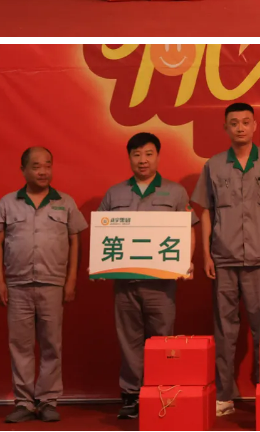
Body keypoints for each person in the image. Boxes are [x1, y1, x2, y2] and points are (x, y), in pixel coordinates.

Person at [191, 102, 260, 416]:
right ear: (226, 127)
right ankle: (224, 395)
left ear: (255, 126)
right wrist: (207, 254)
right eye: (234, 122)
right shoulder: (213, 165)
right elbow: (206, 211)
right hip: (224, 259)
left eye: (246, 122)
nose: (240, 127)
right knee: (224, 329)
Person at [98, 132, 198, 420]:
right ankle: (131, 395)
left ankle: (160, 392)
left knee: (162, 340)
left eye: (149, 154)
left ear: (158, 156)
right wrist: (100, 263)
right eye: (137, 154)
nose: (143, 160)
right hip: (125, 283)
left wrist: (186, 261)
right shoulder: (114, 193)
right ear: (129, 157)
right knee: (128, 339)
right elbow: (102, 232)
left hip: (161, 283)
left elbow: (188, 229)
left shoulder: (175, 192)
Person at [0, 146, 88, 423]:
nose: (43, 171)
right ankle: (23, 401)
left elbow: (75, 241)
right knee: (20, 345)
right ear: (23, 170)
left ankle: (47, 400)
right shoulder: (8, 202)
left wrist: (71, 280)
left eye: (47, 165)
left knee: (51, 344)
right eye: (36, 166)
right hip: (17, 284)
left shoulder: (65, 202)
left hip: (52, 283)